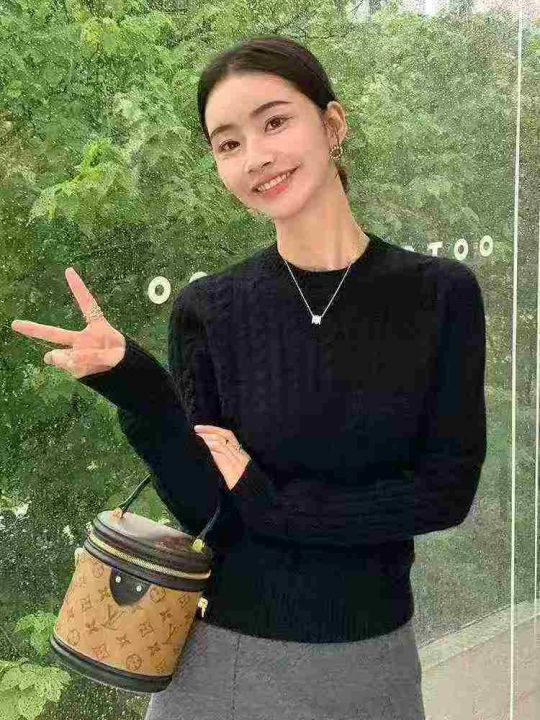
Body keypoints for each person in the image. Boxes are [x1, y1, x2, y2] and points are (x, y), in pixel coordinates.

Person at [10, 35, 487, 720]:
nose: (255, 156)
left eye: (275, 122)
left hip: (371, 665)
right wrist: (132, 380)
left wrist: (275, 503)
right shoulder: (210, 309)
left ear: (333, 124)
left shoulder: (440, 294)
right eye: (228, 143)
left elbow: (444, 494)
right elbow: (208, 509)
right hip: (223, 663)